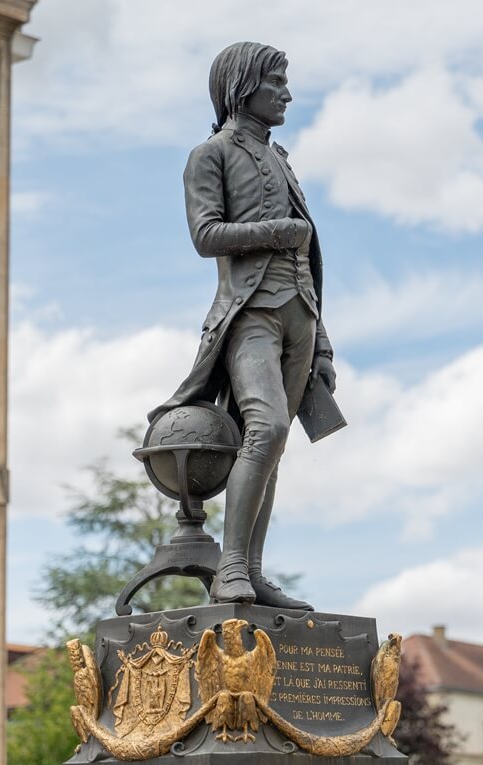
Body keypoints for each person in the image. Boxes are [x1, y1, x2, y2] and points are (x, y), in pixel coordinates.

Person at [150, 42, 336, 610]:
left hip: (300, 315)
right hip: (249, 314)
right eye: (275, 82)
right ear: (242, 86)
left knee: (275, 446)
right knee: (267, 427)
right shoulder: (210, 155)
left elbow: (307, 260)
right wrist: (277, 233)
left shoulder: (281, 158)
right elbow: (205, 235)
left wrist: (323, 346)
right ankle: (230, 568)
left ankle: (253, 572)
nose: (287, 94)